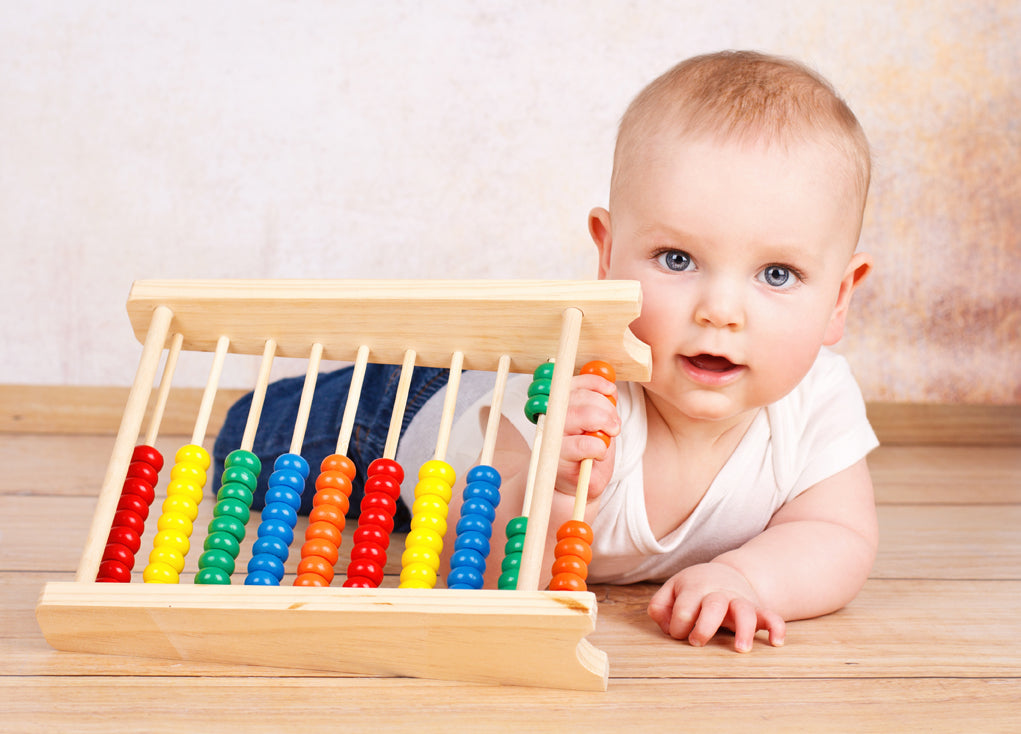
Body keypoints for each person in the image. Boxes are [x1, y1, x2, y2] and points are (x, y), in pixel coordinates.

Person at [214, 50, 877, 653]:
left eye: (776, 275)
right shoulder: (572, 401)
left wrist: (744, 576)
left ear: (839, 298)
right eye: (677, 259)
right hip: (410, 412)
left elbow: (836, 536)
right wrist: (557, 492)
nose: (719, 312)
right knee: (247, 443)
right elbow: (473, 554)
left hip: (461, 396)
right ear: (607, 255)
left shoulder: (816, 400)